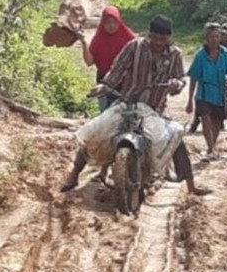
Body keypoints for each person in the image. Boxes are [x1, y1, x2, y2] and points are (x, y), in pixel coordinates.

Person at [60, 15, 211, 196]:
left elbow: (180, 80)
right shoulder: (135, 46)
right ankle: (74, 175)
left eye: (163, 39)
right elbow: (118, 68)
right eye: (155, 37)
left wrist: (176, 84)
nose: (158, 42)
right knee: (95, 133)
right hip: (127, 104)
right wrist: (104, 85)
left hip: (155, 110)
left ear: (169, 37)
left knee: (177, 140)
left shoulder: (175, 54)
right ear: (149, 34)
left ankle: (191, 186)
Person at [186, 22, 227, 160]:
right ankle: (211, 148)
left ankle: (211, 147)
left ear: (220, 37)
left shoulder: (225, 54)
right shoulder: (200, 55)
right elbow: (194, 78)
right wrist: (190, 100)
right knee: (206, 118)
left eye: (217, 36)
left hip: (219, 93)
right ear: (206, 38)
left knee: (216, 122)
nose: (214, 39)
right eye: (211, 37)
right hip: (204, 93)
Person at [79, 6, 136, 112]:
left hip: (125, 81)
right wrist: (84, 43)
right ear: (102, 23)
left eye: (114, 22)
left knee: (125, 114)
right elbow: (89, 62)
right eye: (107, 22)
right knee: (105, 113)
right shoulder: (98, 39)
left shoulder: (129, 38)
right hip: (104, 80)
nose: (111, 26)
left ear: (119, 21)